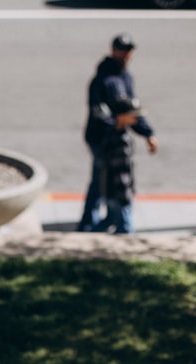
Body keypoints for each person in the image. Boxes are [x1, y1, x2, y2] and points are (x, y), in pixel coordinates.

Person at [79, 33, 158, 232]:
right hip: (100, 138)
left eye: (128, 50)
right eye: (121, 50)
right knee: (100, 179)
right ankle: (89, 222)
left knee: (114, 181)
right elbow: (99, 112)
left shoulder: (126, 77)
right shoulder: (102, 79)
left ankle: (108, 220)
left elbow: (133, 109)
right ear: (113, 50)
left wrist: (147, 133)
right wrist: (116, 122)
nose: (125, 54)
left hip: (117, 138)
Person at [89, 97, 143, 234]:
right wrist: (126, 194)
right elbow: (122, 171)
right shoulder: (121, 141)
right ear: (121, 116)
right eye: (133, 116)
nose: (136, 119)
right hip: (120, 192)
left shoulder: (110, 132)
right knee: (125, 227)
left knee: (110, 219)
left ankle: (90, 235)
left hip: (110, 191)